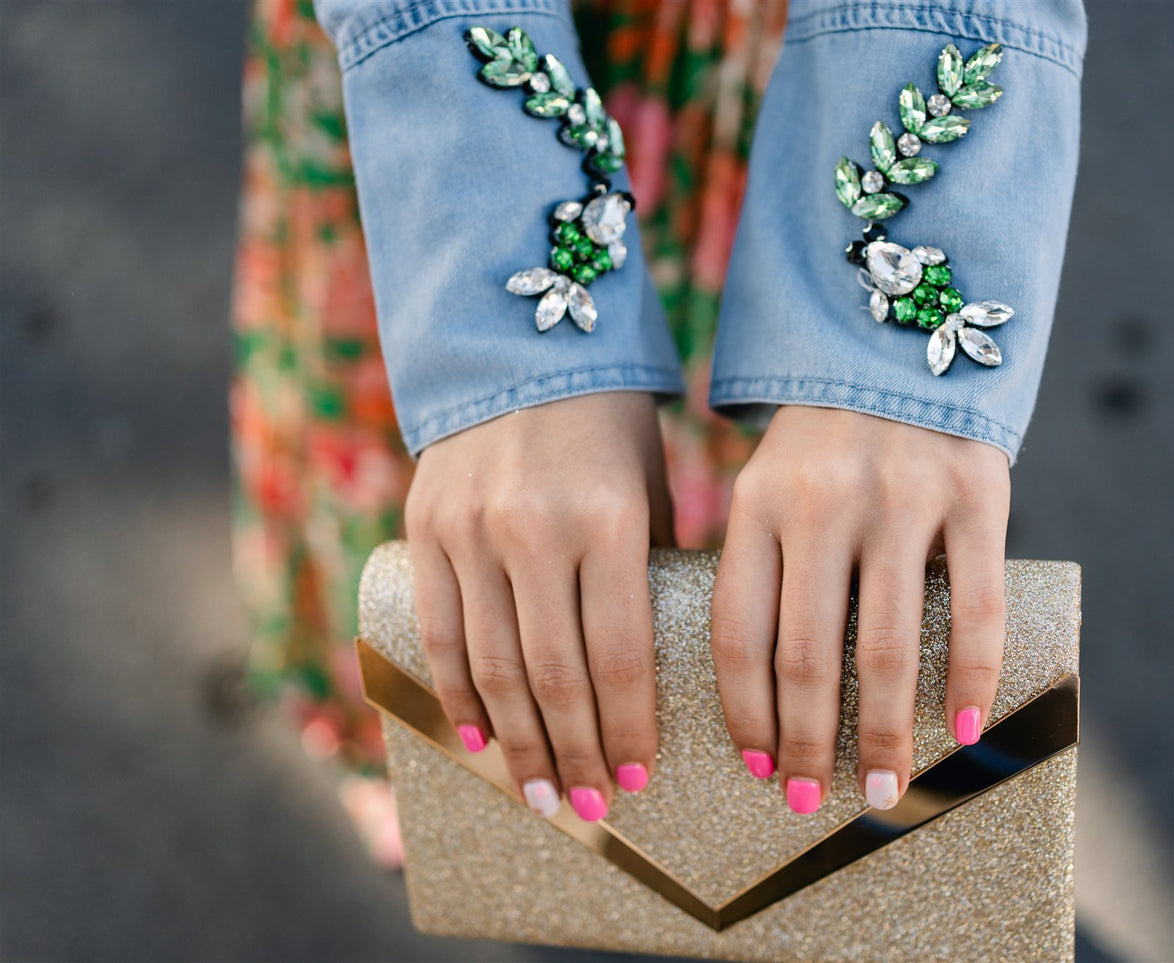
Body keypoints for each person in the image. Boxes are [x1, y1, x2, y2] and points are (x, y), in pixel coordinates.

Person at [234, 0, 1085, 857]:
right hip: (437, 70)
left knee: (797, 530)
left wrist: (881, 355)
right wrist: (504, 343)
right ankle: (426, 740)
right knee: (484, 508)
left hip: (790, 73)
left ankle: (686, 741)